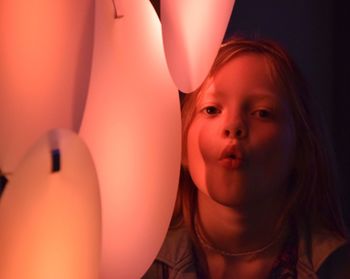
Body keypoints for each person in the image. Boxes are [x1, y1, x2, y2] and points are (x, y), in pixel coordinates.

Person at [143, 37, 350, 278]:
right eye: (211, 110)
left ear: (302, 148)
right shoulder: (136, 268)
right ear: (182, 146)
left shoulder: (338, 267)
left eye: (262, 113)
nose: (233, 126)